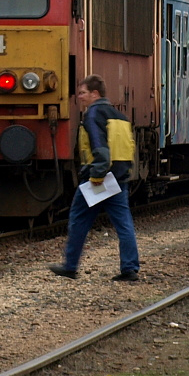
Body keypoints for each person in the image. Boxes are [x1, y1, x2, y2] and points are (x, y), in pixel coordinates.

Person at [50, 74, 140, 282]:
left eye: (82, 93)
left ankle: (70, 266)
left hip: (99, 179)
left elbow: (101, 149)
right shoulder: (120, 117)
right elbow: (128, 148)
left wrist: (97, 176)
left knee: (79, 219)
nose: (79, 97)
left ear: (95, 94)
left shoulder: (93, 114)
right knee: (124, 224)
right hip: (119, 178)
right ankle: (130, 268)